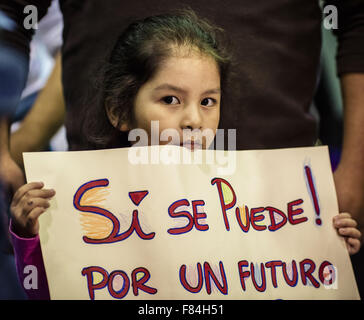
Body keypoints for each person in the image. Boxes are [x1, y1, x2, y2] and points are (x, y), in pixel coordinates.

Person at [8, 10, 362, 300]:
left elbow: (288, 278)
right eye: (170, 100)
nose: (194, 119)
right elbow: (46, 291)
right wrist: (30, 236)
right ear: (119, 110)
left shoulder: (257, 207)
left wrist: (327, 249)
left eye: (208, 101)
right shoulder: (85, 205)